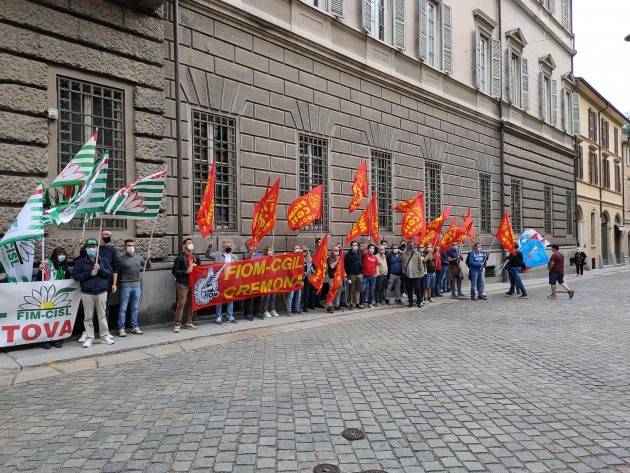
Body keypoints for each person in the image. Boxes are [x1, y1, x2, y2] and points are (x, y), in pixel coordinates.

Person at [72, 238, 115, 348]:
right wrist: (89, 274)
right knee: (88, 317)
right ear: (85, 248)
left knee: (102, 315)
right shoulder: (81, 261)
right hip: (87, 293)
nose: (91, 249)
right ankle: (89, 337)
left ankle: (105, 336)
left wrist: (100, 270)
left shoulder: (103, 260)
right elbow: (76, 276)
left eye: (94, 246)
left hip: (101, 292)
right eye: (89, 247)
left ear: (97, 248)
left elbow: (109, 273)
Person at [37, 246, 71, 349]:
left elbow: (68, 279)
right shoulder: (47, 264)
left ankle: (56, 338)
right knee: (47, 318)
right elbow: (39, 279)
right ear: (55, 255)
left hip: (59, 297)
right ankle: (46, 340)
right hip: (47, 296)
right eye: (60, 254)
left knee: (57, 318)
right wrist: (40, 270)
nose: (62, 256)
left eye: (64, 254)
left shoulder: (64, 266)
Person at [116, 239, 151, 337]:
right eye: (129, 245)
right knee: (123, 308)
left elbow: (148, 267)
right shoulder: (120, 259)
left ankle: (135, 326)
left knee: (135, 307)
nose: (131, 247)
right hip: (125, 285)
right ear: (125, 247)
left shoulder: (139, 258)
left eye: (132, 245)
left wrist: (148, 259)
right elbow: (116, 272)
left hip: (136, 285)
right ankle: (121, 328)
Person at [172, 237, 201, 332]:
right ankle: (177, 323)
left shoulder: (196, 257)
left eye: (191, 243)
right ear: (184, 246)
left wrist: (197, 268)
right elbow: (174, 271)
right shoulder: (179, 257)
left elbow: (200, 268)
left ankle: (189, 321)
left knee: (191, 304)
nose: (190, 244)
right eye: (188, 243)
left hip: (193, 283)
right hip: (183, 284)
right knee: (181, 304)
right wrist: (186, 271)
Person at [210, 240, 238, 324]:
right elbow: (207, 255)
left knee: (230, 299)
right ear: (223, 247)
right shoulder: (218, 255)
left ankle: (230, 316)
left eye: (229, 246)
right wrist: (209, 247)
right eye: (227, 246)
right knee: (219, 299)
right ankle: (218, 317)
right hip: (220, 280)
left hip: (231, 280)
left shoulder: (234, 257)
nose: (228, 247)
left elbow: (238, 268)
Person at [243, 243, 263, 321]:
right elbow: (247, 260)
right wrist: (251, 252)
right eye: (250, 245)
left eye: (252, 244)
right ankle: (248, 313)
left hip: (258, 278)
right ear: (247, 246)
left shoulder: (259, 254)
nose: (251, 245)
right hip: (249, 279)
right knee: (249, 297)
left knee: (258, 296)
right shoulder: (245, 254)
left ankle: (257, 312)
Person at [402, 241, 425, 308]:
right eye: (409, 245)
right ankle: (410, 302)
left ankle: (419, 302)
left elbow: (420, 264)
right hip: (408, 275)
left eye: (412, 245)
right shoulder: (404, 254)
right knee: (409, 289)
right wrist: (404, 272)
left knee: (418, 289)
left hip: (416, 275)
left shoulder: (417, 253)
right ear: (407, 246)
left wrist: (421, 273)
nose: (411, 246)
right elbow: (403, 264)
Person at [260, 246, 279, 317]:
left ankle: (272, 309)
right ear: (266, 251)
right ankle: (265, 310)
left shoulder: (275, 259)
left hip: (273, 279)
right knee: (267, 296)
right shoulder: (263, 259)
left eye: (271, 250)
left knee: (273, 295)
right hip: (266, 280)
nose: (270, 251)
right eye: (269, 250)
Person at [344, 240, 363, 309]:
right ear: (351, 246)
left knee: (358, 290)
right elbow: (345, 265)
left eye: (356, 245)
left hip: (359, 274)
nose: (355, 247)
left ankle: (357, 303)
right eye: (354, 245)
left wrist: (361, 271)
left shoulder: (360, 253)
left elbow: (362, 262)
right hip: (351, 274)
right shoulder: (348, 255)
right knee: (351, 290)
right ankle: (351, 304)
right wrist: (347, 274)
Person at [286, 245, 304, 315]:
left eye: (299, 248)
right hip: (291, 280)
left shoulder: (300, 259)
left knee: (298, 295)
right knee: (291, 295)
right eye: (296, 248)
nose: (297, 250)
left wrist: (301, 279)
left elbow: (301, 270)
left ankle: (297, 309)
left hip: (299, 280)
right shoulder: (290, 258)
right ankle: (289, 310)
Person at [326, 244, 343, 313]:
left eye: (338, 250)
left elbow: (341, 268)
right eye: (336, 250)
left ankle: (337, 304)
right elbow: (332, 266)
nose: (337, 252)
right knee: (331, 292)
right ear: (332, 251)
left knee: (338, 292)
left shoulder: (339, 257)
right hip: (332, 278)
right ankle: (329, 306)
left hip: (339, 278)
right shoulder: (330, 258)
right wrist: (337, 260)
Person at [361, 243, 378, 308]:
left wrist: (376, 273)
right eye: (371, 248)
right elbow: (362, 251)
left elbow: (376, 265)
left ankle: (370, 303)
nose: (372, 249)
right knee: (363, 290)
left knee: (371, 290)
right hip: (366, 276)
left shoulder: (375, 257)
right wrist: (366, 243)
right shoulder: (365, 255)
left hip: (373, 276)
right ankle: (361, 303)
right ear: (368, 249)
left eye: (373, 248)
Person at [302, 245, 317, 312]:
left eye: (305, 250)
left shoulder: (309, 258)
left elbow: (312, 266)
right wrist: (303, 272)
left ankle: (311, 304)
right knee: (306, 292)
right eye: (303, 250)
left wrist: (313, 270)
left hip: (310, 276)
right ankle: (305, 306)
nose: (304, 252)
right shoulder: (300, 258)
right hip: (304, 277)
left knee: (311, 291)